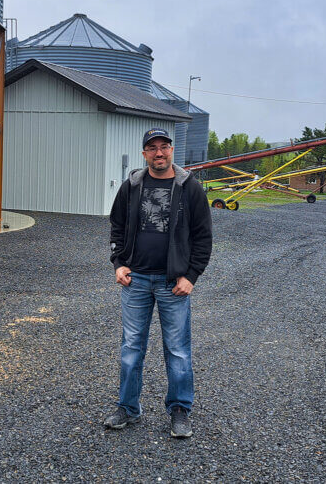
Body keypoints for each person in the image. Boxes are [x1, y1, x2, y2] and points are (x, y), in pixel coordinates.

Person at [104, 128, 213, 438]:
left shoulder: (189, 187)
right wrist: (119, 263)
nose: (159, 153)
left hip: (173, 284)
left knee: (177, 350)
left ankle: (180, 410)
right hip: (135, 281)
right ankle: (128, 408)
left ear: (171, 150)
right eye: (152, 148)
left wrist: (191, 276)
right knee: (131, 348)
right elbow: (117, 227)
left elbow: (203, 237)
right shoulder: (133, 185)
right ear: (144, 154)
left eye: (164, 147)